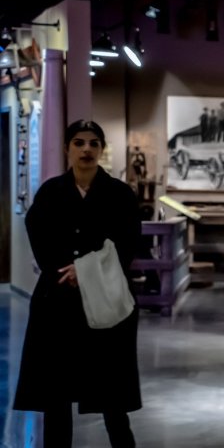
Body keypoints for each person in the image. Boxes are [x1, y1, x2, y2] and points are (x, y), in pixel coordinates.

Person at [14, 120, 141, 447]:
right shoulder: (50, 193)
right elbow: (39, 237)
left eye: (94, 143)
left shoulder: (119, 195)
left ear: (101, 149)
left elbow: (127, 244)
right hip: (57, 303)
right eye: (79, 143)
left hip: (107, 306)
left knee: (113, 401)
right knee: (56, 397)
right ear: (68, 148)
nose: (87, 149)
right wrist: (65, 271)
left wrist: (84, 271)